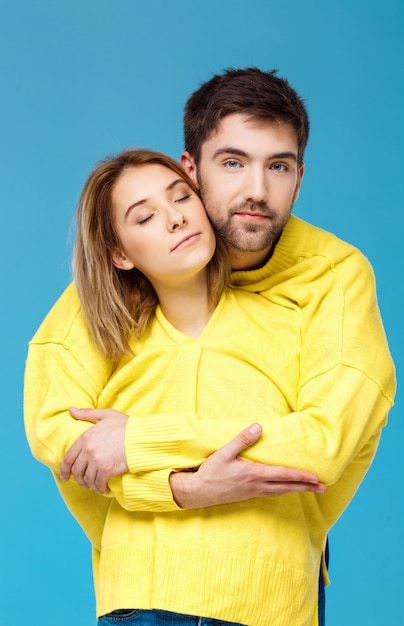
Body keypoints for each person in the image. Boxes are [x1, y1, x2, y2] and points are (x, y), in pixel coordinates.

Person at [25, 148, 332, 626]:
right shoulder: (102, 330)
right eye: (145, 217)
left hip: (274, 597)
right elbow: (61, 438)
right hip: (144, 595)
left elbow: (318, 445)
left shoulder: (292, 314)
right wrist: (181, 488)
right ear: (120, 254)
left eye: (183, 197)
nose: (175, 220)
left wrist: (137, 440)